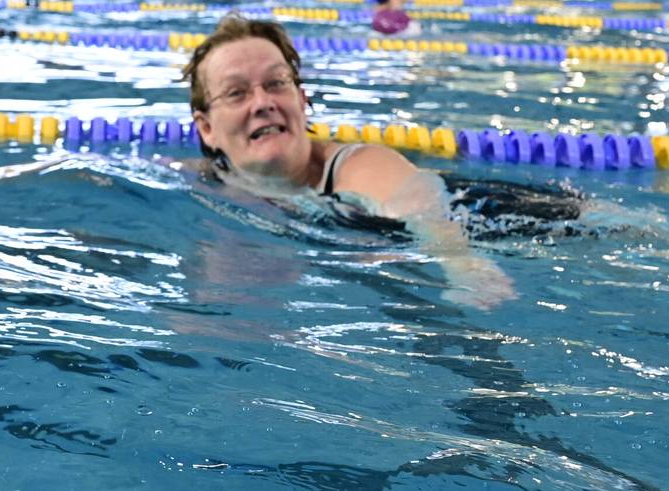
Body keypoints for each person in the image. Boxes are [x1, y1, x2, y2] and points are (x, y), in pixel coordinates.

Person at [180, 16, 512, 310]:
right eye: (236, 93)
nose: (263, 102)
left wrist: (462, 265)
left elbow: (421, 207)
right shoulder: (197, 180)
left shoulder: (357, 167)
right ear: (206, 128)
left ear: (301, 99)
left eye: (276, 83)